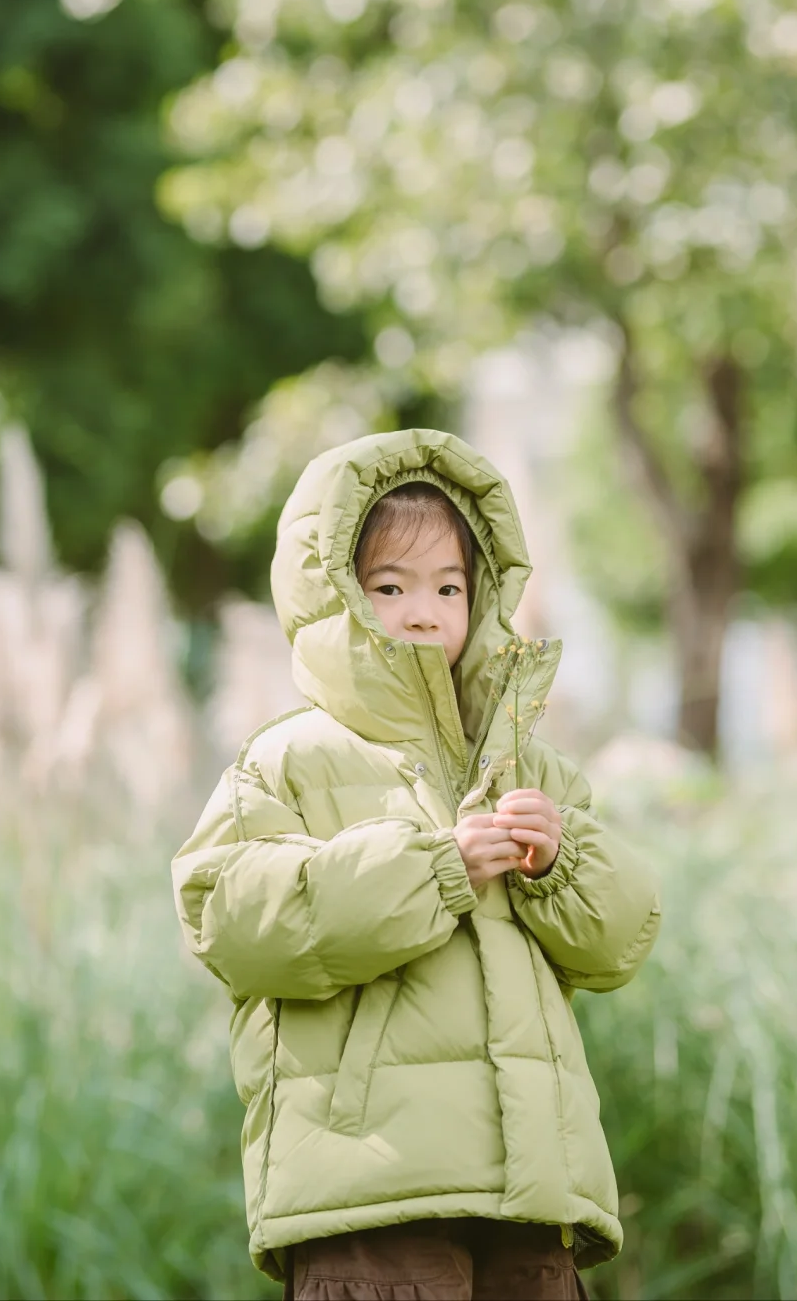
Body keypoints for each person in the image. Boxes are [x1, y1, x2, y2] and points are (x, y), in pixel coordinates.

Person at [172, 429, 661, 1301]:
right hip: (371, 1194)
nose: (424, 610)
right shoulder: (291, 760)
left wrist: (560, 861)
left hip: (531, 1195)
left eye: (449, 586)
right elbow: (230, 915)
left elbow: (621, 939)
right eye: (388, 587)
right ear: (334, 598)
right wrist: (434, 870)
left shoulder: (529, 765)